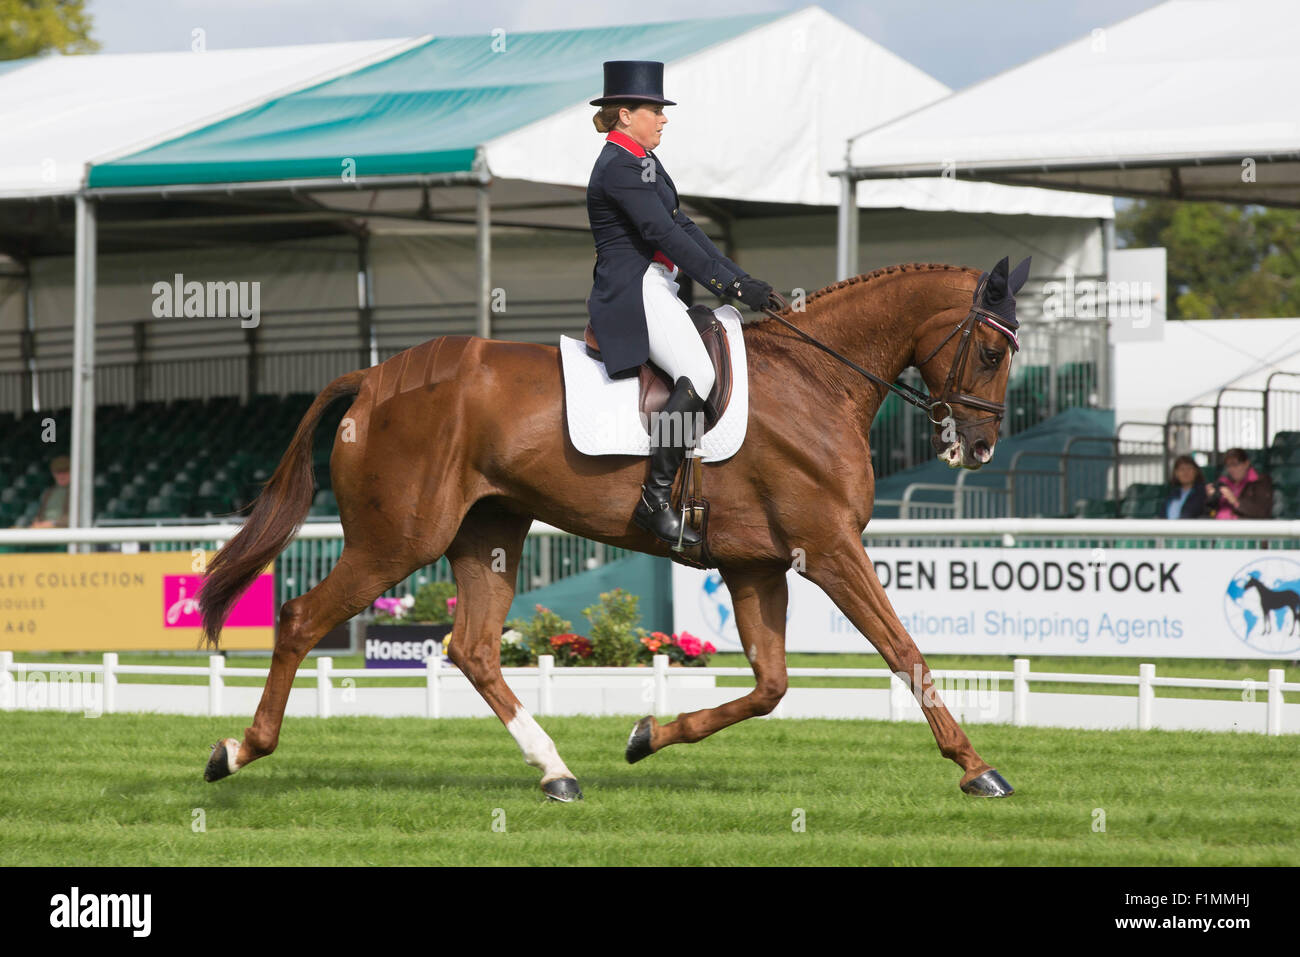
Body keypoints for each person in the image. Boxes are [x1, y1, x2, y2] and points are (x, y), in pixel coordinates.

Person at [585, 60, 778, 548]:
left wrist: (740, 279)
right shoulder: (619, 167)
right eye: (655, 110)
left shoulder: (642, 161)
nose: (664, 118)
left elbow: (684, 227)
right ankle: (653, 500)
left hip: (659, 285)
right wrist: (733, 289)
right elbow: (662, 234)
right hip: (635, 290)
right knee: (702, 374)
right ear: (625, 114)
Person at [1205, 447, 1274, 519]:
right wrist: (1208, 497)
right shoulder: (1223, 482)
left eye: (1235, 464)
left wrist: (1235, 501)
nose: (1231, 469)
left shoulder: (1260, 482)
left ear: (1246, 464)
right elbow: (1210, 510)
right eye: (1228, 466)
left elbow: (1261, 511)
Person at [1159, 454, 1208, 519]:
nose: (1185, 472)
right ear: (1176, 473)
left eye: (1189, 468)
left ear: (1196, 471)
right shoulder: (1172, 495)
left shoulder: (1202, 492)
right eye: (1181, 469)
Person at [31, 454, 71, 528]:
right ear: (53, 473)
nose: (61, 476)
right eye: (58, 472)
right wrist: (36, 522)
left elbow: (77, 517)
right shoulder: (48, 492)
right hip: (44, 528)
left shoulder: (77, 492)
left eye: (65, 471)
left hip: (62, 529)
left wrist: (53, 523)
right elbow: (40, 514)